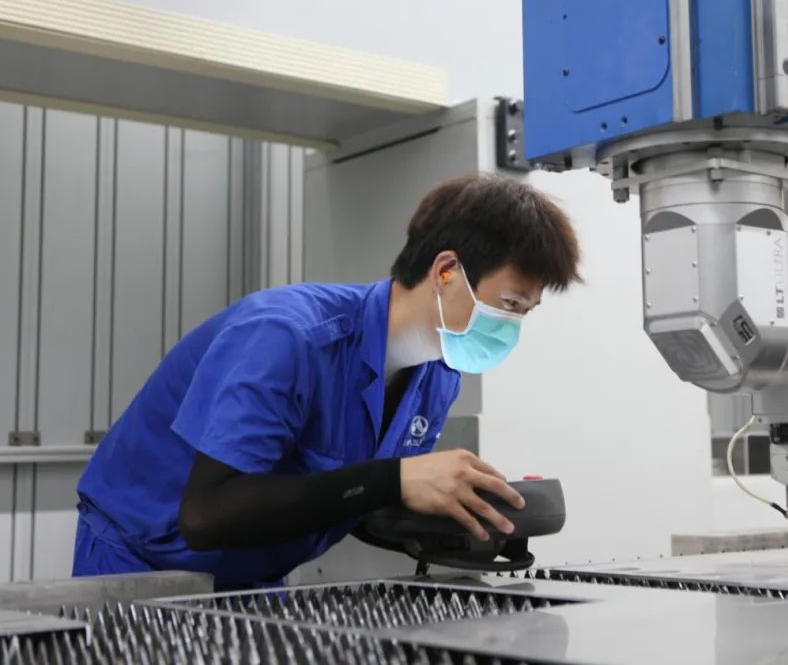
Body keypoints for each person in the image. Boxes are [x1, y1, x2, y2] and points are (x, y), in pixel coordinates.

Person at [72, 173, 581, 590]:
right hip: (141, 564)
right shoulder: (285, 337)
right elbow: (208, 515)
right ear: (446, 270)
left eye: (525, 312)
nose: (511, 325)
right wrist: (394, 479)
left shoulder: (438, 376)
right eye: (509, 304)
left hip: (256, 573)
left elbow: (347, 501)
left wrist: (460, 522)